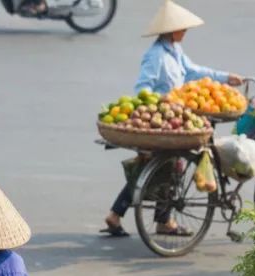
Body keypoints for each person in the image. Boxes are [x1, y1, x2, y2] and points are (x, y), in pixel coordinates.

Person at [101, 0, 243, 238]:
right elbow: (143, 88)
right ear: (172, 30)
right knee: (169, 166)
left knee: (156, 166)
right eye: (182, 29)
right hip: (162, 121)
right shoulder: (155, 56)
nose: (185, 33)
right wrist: (164, 102)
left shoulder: (175, 51)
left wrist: (225, 77)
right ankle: (161, 221)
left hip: (176, 116)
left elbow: (193, 71)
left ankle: (123, 215)